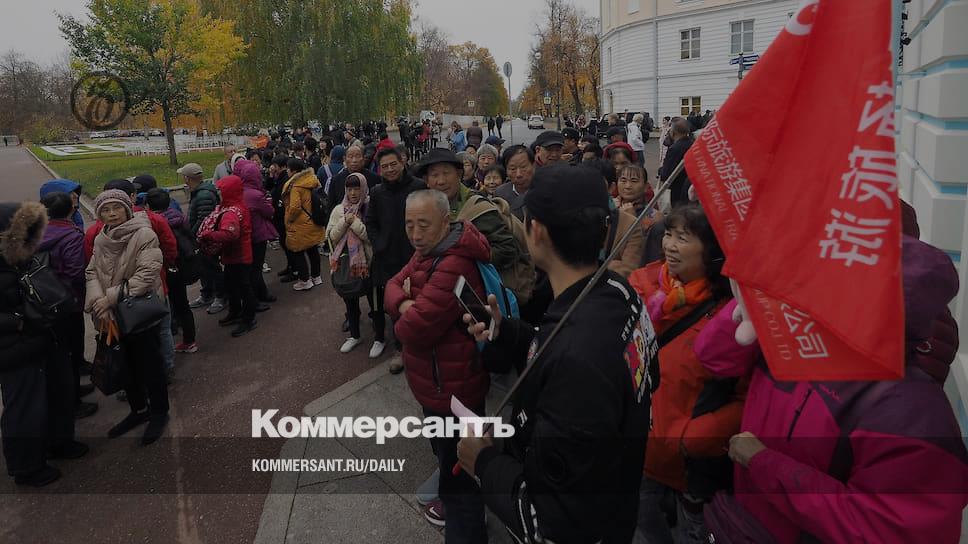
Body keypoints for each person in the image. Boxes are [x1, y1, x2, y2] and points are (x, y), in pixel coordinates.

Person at [698, 234, 968, 543]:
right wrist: (750, 302)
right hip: (746, 522)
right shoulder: (796, 338)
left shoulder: (913, 413)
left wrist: (763, 464)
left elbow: (889, 530)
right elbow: (713, 356)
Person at [456, 165, 657, 543]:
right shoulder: (619, 292)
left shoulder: (577, 359)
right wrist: (510, 333)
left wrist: (484, 463)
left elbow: (551, 524)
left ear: (537, 232)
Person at [624, 203, 738, 543]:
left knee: (695, 530)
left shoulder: (731, 315)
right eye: (669, 234)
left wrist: (692, 437)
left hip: (692, 460)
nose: (670, 245)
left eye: (683, 238)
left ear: (712, 250)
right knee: (644, 518)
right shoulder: (644, 284)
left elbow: (745, 395)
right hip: (643, 445)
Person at [385, 189, 491, 543]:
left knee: (459, 468)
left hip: (454, 388)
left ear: (446, 222)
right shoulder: (430, 250)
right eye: (409, 225)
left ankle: (466, 523)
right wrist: (406, 303)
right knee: (447, 453)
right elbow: (390, 284)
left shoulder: (454, 262)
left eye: (423, 225)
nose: (415, 234)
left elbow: (411, 331)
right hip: (436, 382)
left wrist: (404, 307)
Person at [1, 201, 87, 487]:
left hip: (45, 335)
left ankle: (59, 442)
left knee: (58, 391)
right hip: (15, 346)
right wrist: (18, 322)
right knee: (25, 405)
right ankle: (26, 467)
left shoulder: (22, 256)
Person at [86, 190, 169, 445]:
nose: (112, 214)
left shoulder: (143, 234)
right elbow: (91, 271)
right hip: (110, 315)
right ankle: (138, 409)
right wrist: (99, 302)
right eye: (105, 210)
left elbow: (147, 274)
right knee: (126, 365)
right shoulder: (101, 238)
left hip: (137, 312)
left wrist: (110, 298)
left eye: (117, 208)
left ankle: (159, 412)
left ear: (127, 208)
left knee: (150, 365)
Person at [37, 190, 98, 419]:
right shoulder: (71, 235)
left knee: (61, 351)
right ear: (72, 209)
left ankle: (72, 391)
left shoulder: (36, 232)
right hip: (68, 301)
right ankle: (72, 402)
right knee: (69, 350)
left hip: (43, 300)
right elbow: (76, 271)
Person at [417, 148, 519, 283]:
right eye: (434, 175)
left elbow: (507, 250)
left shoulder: (477, 207)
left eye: (446, 173)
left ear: (459, 174)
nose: (441, 181)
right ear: (427, 181)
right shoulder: (428, 209)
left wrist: (466, 260)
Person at [366, 148, 427, 368]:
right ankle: (401, 349)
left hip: (416, 256)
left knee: (421, 302)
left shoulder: (418, 186)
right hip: (387, 258)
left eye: (393, 164)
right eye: (385, 166)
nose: (390, 169)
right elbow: (370, 221)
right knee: (395, 305)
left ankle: (423, 346)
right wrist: (378, 244)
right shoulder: (377, 191)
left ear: (402, 162)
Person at [199, 176, 259, 337]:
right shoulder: (234, 206)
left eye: (220, 190)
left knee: (243, 287)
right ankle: (235, 312)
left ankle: (248, 319)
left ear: (229, 191)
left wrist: (209, 235)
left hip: (239, 256)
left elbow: (230, 234)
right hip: (234, 255)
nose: (218, 193)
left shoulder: (232, 211)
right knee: (232, 285)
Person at [327, 173, 379, 354]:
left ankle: (379, 338)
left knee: (374, 301)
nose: (353, 193)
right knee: (350, 300)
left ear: (363, 188)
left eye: (357, 189)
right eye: (349, 189)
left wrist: (355, 223)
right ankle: (354, 336)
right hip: (346, 264)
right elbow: (331, 238)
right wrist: (344, 221)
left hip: (369, 263)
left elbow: (372, 237)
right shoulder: (338, 210)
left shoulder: (370, 207)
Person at [145, 189, 198, 354]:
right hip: (182, 264)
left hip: (169, 267)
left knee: (169, 304)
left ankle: (177, 340)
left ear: (148, 206)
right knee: (183, 303)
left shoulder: (155, 222)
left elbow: (167, 247)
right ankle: (190, 339)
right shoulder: (177, 216)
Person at [180, 163, 225, 313]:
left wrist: (192, 236)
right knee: (204, 268)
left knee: (212, 267)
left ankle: (220, 296)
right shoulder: (201, 191)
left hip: (205, 238)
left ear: (187, 178)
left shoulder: (203, 195)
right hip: (202, 237)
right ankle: (207, 293)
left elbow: (203, 219)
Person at [234, 159, 278, 307]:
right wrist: (268, 202)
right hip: (258, 234)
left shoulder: (239, 191)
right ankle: (256, 299)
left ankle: (261, 293)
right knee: (256, 268)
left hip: (245, 235)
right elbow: (269, 211)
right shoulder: (255, 194)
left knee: (251, 267)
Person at [283, 159, 327, 291]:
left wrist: (288, 219)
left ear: (294, 171)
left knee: (298, 252)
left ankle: (305, 280)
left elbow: (295, 207)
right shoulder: (311, 180)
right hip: (313, 220)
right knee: (313, 250)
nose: (287, 171)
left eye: (288, 168)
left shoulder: (295, 186)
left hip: (300, 224)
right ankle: (316, 276)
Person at [326, 145, 380, 219]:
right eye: (350, 156)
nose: (354, 160)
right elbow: (330, 207)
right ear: (344, 159)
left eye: (358, 156)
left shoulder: (374, 178)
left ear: (363, 158)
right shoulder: (336, 180)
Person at [659, 119, 695, 208]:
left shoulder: (675, 148)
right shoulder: (693, 144)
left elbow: (666, 173)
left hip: (677, 189)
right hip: (690, 187)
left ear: (673, 131)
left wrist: (660, 171)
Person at [495, 145, 534, 221]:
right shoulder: (500, 193)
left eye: (523, 167)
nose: (518, 174)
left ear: (533, 165)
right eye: (513, 169)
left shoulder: (544, 190)